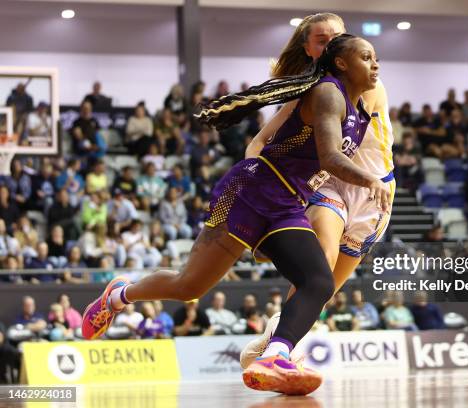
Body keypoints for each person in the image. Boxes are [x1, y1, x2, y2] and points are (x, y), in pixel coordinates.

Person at [82, 32, 385, 395]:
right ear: (340, 62)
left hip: (287, 204)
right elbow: (329, 158)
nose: (375, 63)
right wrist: (371, 180)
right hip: (252, 191)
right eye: (366, 57)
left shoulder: (361, 111)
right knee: (189, 286)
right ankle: (118, 295)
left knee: (319, 280)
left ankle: (276, 356)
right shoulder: (327, 92)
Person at [241, 13, 395, 371]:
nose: (332, 46)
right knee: (319, 266)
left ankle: (272, 343)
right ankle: (279, 354)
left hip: (375, 191)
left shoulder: (366, 83)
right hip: (332, 183)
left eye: (337, 39)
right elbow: (260, 143)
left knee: (322, 293)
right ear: (312, 51)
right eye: (323, 41)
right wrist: (260, 180)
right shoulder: (318, 92)